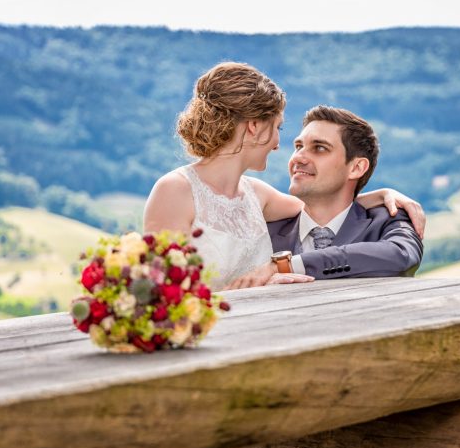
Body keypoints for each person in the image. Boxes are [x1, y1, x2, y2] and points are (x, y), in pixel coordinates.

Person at [144, 62, 425, 290]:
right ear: (254, 126)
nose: (279, 144)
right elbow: (161, 293)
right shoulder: (175, 190)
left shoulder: (259, 195)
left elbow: (326, 208)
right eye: (278, 127)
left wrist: (381, 194)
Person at [226, 106, 423, 289]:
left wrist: (288, 266)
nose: (299, 157)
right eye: (298, 146)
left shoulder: (388, 220)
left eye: (319, 148)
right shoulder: (264, 233)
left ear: (356, 168)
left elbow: (402, 256)